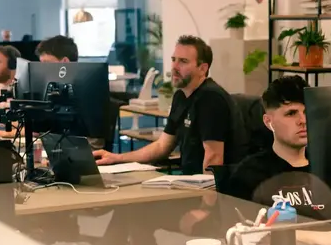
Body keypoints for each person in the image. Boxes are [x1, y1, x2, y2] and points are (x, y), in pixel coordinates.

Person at [94, 35, 246, 174]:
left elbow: (214, 158)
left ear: (202, 68)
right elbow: (162, 146)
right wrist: (116, 158)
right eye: (174, 59)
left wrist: (206, 201)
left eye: (183, 61)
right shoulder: (181, 96)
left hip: (212, 190)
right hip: (188, 183)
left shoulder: (211, 98)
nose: (174, 67)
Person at [223, 76, 331, 218]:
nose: (303, 121)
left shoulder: (330, 170)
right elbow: (246, 232)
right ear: (269, 122)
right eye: (291, 113)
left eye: (307, 112)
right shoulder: (250, 175)